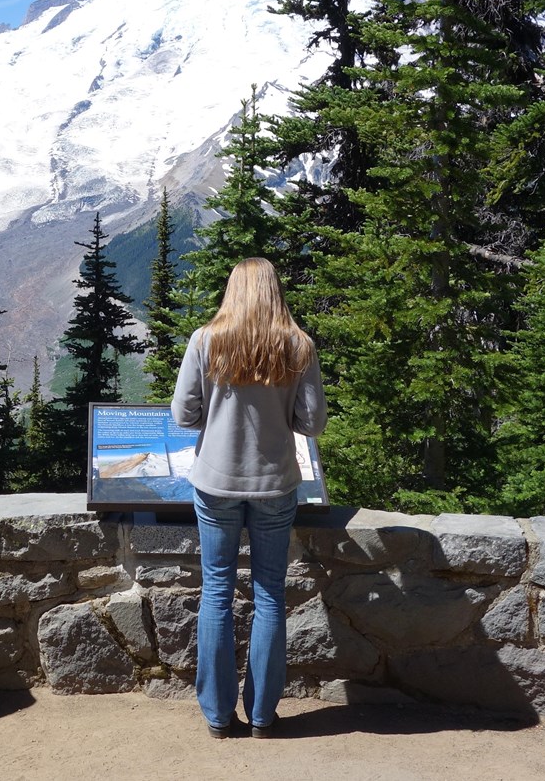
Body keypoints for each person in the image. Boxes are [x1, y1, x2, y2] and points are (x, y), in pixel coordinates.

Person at [171, 257, 327, 739]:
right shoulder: (298, 345)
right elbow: (312, 422)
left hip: (215, 482)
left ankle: (218, 717)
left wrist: (217, 420)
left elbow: (183, 413)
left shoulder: (206, 340)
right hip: (275, 485)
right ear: (275, 291)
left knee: (216, 591)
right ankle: (262, 716)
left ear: (232, 291)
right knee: (269, 595)